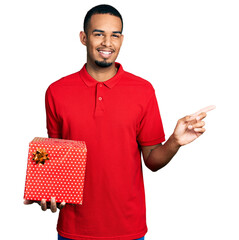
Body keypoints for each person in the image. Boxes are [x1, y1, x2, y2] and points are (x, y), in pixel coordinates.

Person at [24, 4, 215, 240]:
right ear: (84, 38)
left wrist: (175, 142)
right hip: (74, 230)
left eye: (114, 35)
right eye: (98, 34)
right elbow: (56, 159)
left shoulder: (143, 90)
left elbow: (153, 161)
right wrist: (46, 193)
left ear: (122, 40)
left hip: (128, 229)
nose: (107, 42)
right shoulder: (56, 91)